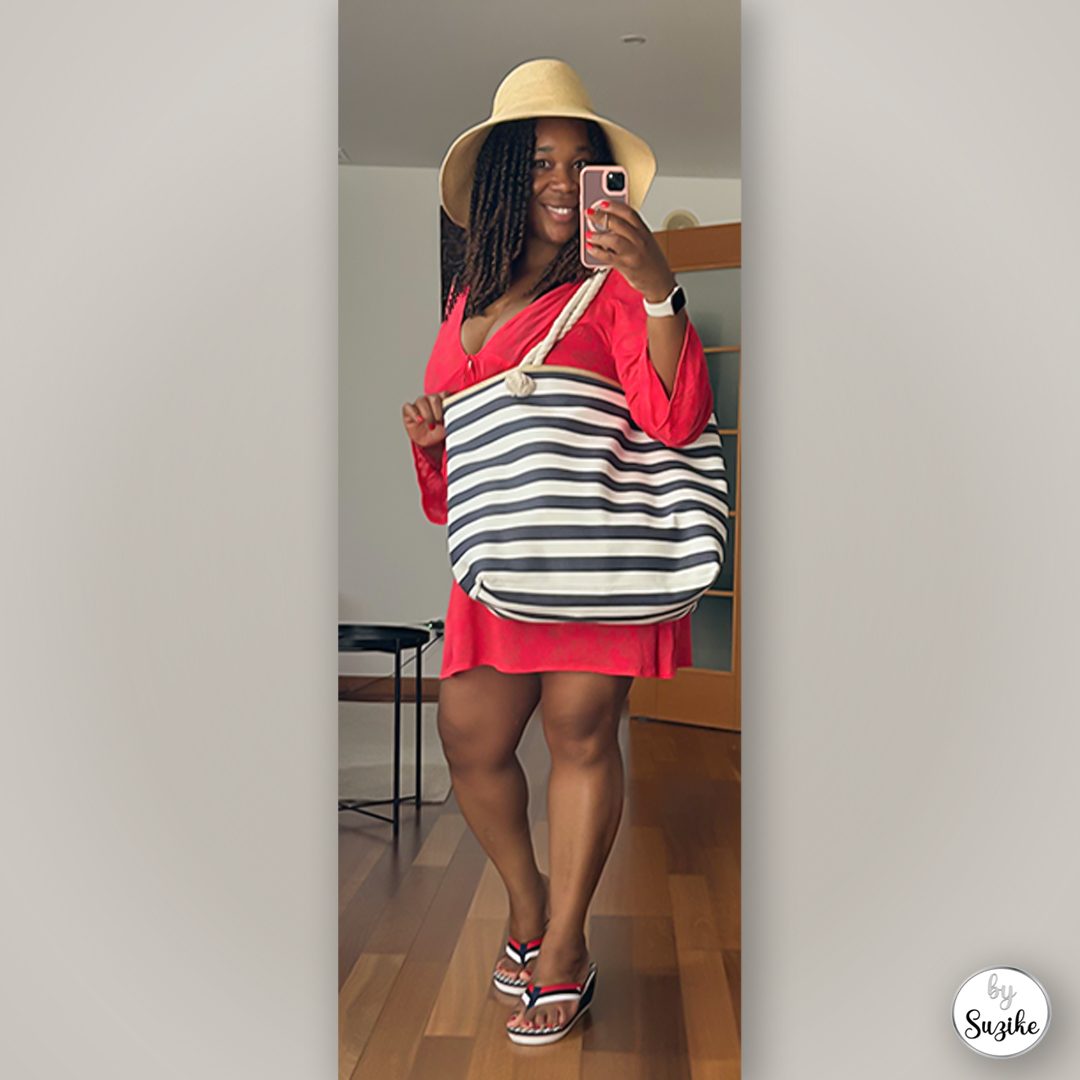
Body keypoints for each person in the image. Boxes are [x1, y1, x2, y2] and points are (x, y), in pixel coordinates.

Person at [401, 58, 714, 1045]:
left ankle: (567, 947)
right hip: (503, 561)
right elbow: (466, 478)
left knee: (581, 733)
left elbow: (673, 417)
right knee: (472, 740)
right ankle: (528, 904)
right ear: (501, 177)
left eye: (580, 166)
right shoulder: (466, 306)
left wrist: (659, 285)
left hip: (598, 553)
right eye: (539, 162)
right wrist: (430, 442)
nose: (558, 182)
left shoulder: (619, 291)